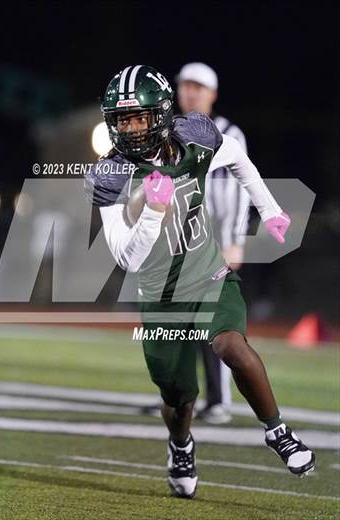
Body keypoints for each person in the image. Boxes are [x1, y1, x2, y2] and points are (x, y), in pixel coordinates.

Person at [85, 65, 315, 499]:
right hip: (159, 296)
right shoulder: (109, 175)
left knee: (232, 346)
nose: (132, 129)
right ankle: (180, 445)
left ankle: (278, 431)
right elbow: (127, 259)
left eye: (140, 118)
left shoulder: (195, 137)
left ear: (163, 114)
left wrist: (268, 210)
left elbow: (240, 160)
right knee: (178, 397)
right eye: (123, 120)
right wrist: (153, 212)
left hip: (208, 275)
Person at [176, 62, 250, 424]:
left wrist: (234, 240)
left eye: (197, 87)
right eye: (185, 86)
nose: (189, 93)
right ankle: (190, 398)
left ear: (212, 94)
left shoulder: (227, 132)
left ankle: (220, 401)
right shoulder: (172, 134)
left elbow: (237, 189)